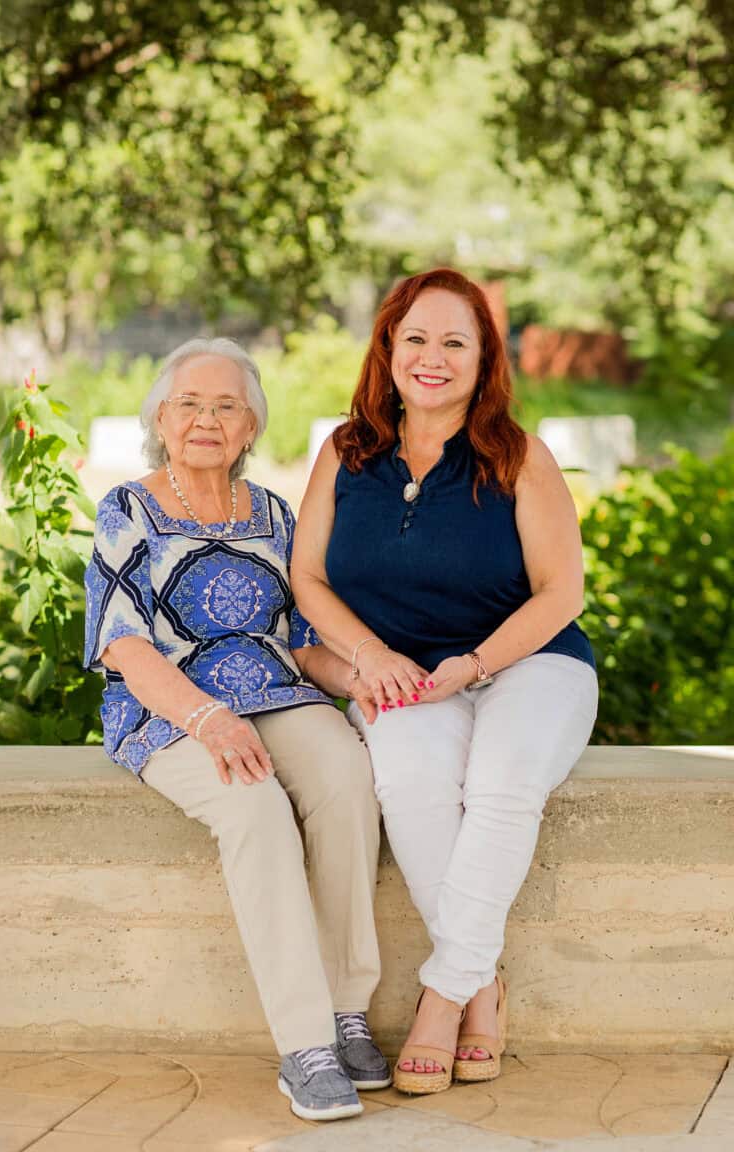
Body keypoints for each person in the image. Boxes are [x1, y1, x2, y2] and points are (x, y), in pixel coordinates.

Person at [291, 268, 598, 1096]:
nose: (432, 357)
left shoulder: (517, 455)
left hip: (530, 664)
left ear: (483, 358)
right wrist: (372, 657)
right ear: (388, 347)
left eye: (454, 342)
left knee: (501, 785)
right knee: (410, 783)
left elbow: (562, 592)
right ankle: (483, 984)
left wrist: (476, 664)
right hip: (404, 677)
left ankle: (441, 996)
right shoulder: (346, 452)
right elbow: (308, 579)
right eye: (415, 337)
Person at [83, 337, 391, 1122]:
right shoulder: (128, 508)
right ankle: (305, 1045)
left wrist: (367, 682)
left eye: (227, 406)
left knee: (347, 774)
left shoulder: (274, 514)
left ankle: (347, 1007)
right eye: (189, 403)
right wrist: (208, 717)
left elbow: (298, 639)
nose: (206, 420)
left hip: (278, 695)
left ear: (251, 426)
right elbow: (122, 644)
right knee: (254, 806)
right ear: (161, 416)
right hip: (170, 709)